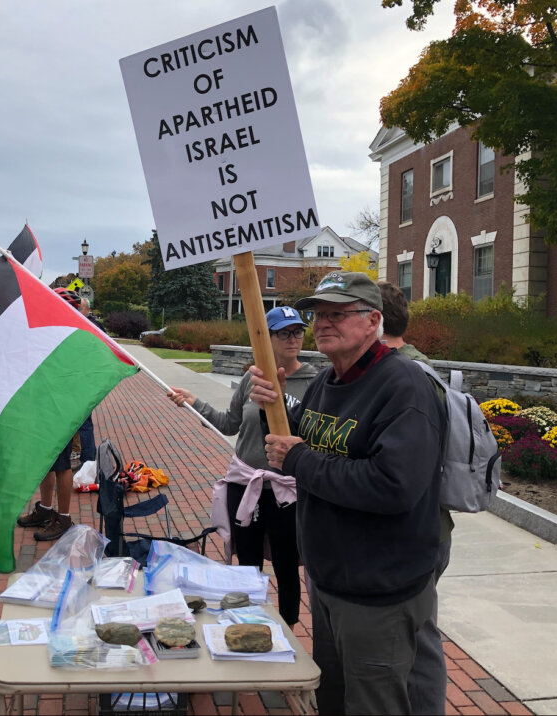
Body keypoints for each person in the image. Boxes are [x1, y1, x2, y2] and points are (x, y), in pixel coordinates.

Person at [250, 271, 445, 715]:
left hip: (379, 589)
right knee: (332, 698)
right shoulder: (326, 383)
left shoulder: (404, 388)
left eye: (337, 314)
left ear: (373, 320)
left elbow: (392, 486)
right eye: (317, 314)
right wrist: (272, 408)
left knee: (374, 703)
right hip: (329, 580)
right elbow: (298, 440)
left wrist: (297, 459)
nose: (321, 323)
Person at [165, 306, 316, 626]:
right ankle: (249, 626)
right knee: (247, 567)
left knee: (288, 567)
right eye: (284, 333)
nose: (293, 339)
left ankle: (287, 630)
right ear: (266, 338)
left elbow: (314, 438)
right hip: (244, 484)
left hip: (285, 492)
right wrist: (195, 403)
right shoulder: (252, 377)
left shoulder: (313, 382)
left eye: (298, 331)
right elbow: (229, 423)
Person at [378, 280, 447, 715]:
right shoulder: (417, 366)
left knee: (417, 636)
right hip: (425, 527)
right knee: (416, 631)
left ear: (372, 320)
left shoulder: (408, 377)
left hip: (418, 531)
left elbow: (400, 475)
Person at [16, 288, 88, 541]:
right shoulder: (50, 334)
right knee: (45, 462)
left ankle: (65, 518)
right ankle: (46, 510)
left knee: (61, 464)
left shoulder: (75, 337)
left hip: (62, 409)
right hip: (44, 407)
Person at [75, 296, 105, 468]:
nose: (78, 311)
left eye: (80, 308)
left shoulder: (93, 326)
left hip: (86, 379)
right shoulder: (77, 324)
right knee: (80, 422)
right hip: (79, 379)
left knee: (84, 422)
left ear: (87, 309)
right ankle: (87, 458)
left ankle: (88, 460)